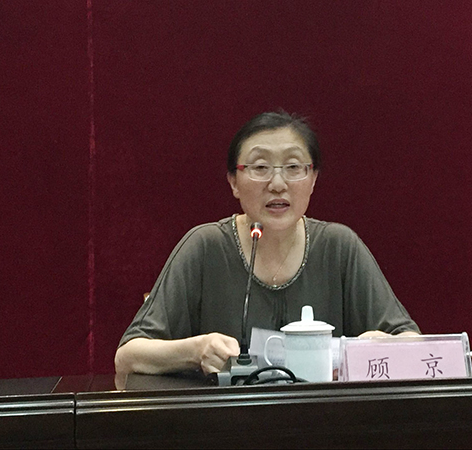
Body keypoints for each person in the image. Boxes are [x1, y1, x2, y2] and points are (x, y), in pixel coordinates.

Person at [114, 111, 419, 378]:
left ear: (313, 179)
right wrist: (196, 350)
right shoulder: (205, 247)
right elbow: (127, 357)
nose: (277, 184)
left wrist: (381, 345)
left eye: (293, 167)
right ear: (234, 182)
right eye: (260, 168)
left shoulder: (339, 247)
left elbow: (413, 342)